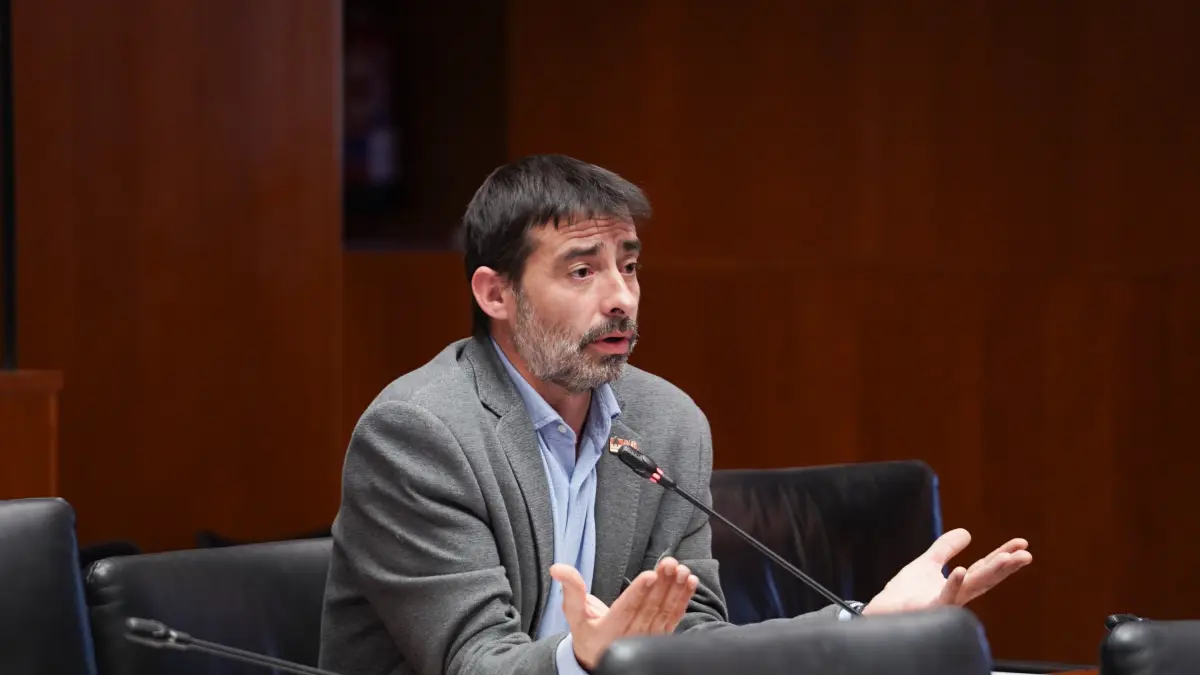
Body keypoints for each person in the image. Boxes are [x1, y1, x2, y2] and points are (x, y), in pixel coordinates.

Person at [318, 155, 1033, 675]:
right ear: (494, 294)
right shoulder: (419, 433)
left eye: (628, 266)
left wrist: (863, 625)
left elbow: (691, 639)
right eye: (582, 270)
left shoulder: (665, 422)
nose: (620, 297)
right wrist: (584, 658)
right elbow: (472, 663)